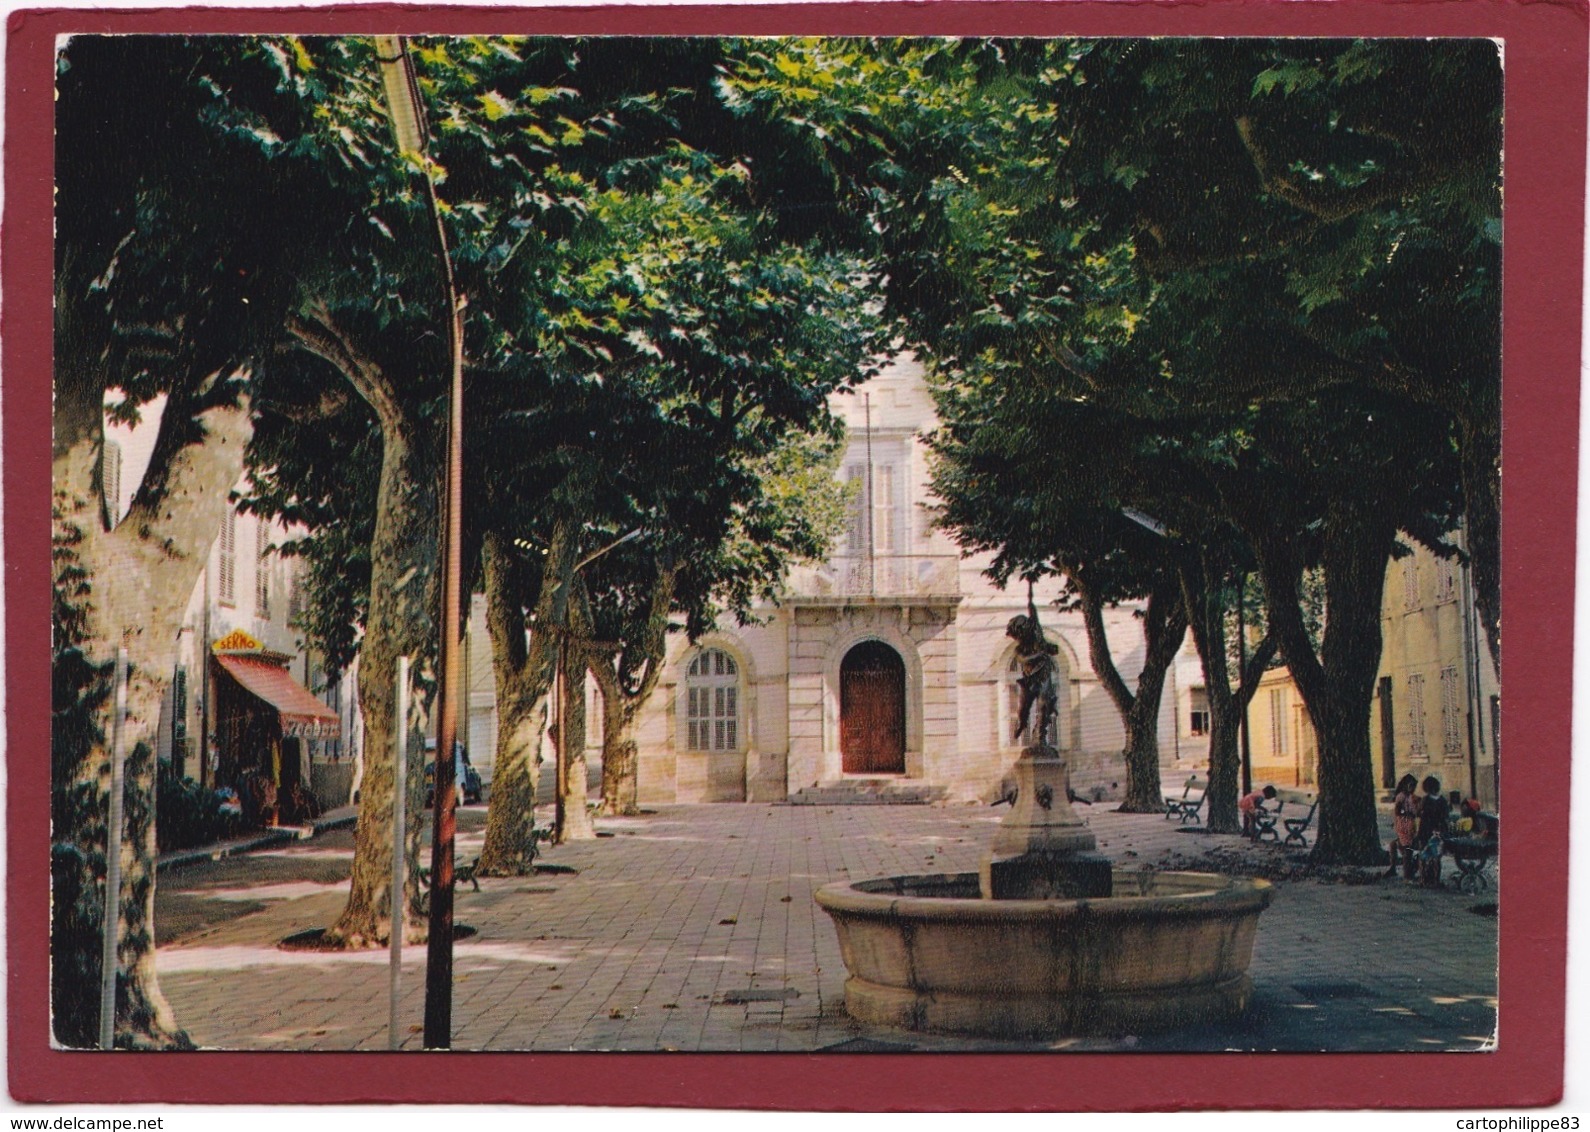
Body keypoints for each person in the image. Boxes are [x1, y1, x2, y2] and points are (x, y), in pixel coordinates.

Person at [1414, 775, 1450, 886]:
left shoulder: (1425, 800)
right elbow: (1446, 816)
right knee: (1436, 857)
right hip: (1438, 831)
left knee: (1424, 855)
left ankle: (1423, 879)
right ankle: (1436, 879)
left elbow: (1418, 812)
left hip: (1425, 830)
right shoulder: (1443, 801)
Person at [1386, 774, 1420, 878]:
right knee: (1407, 849)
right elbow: (1398, 811)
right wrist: (1409, 813)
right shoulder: (1401, 796)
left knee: (1396, 844)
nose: (1413, 789)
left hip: (1408, 824)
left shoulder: (1410, 797)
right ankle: (1407, 873)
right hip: (1404, 824)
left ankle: (1395, 867)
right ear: (1405, 785)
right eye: (1411, 786)